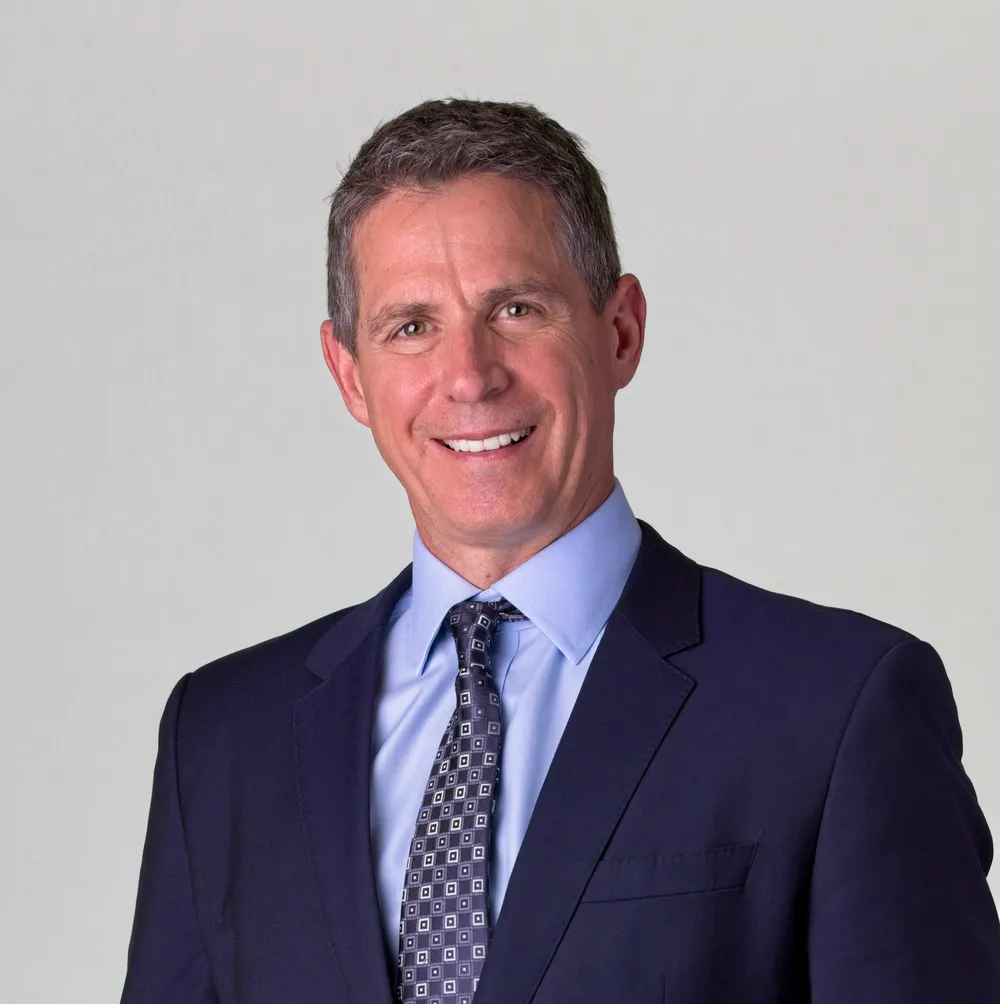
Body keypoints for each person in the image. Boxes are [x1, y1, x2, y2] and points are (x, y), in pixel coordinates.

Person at [121, 98, 1000, 1004]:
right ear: (350, 375)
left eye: (516, 308)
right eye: (411, 326)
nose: (470, 376)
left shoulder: (835, 709)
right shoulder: (223, 739)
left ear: (620, 331)